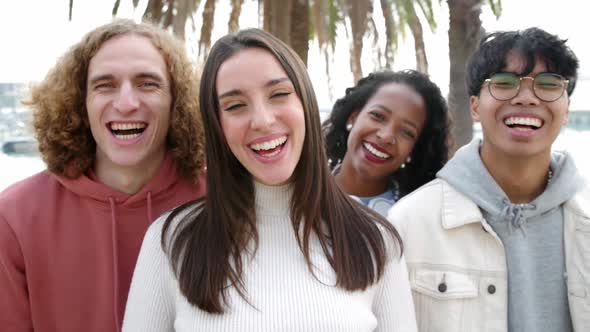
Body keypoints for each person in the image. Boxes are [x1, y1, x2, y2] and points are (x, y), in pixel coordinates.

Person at [122, 28, 416, 331]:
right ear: (217, 126)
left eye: (278, 94)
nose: (262, 120)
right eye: (235, 106)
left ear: (306, 104)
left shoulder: (377, 241)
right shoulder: (171, 241)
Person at [0, 19, 207, 332]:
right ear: (80, 103)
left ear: (177, 102)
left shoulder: (222, 201)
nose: (126, 104)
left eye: (147, 83)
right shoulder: (14, 217)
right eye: (104, 85)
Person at [389, 27, 589, 332]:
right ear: (475, 107)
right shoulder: (412, 220)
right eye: (504, 83)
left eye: (548, 84)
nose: (526, 98)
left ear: (566, 110)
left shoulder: (584, 217)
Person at [322, 70, 450, 216]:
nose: (386, 136)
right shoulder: (300, 193)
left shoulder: (418, 216)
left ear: (414, 150)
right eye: (378, 116)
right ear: (353, 117)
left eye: (406, 132)